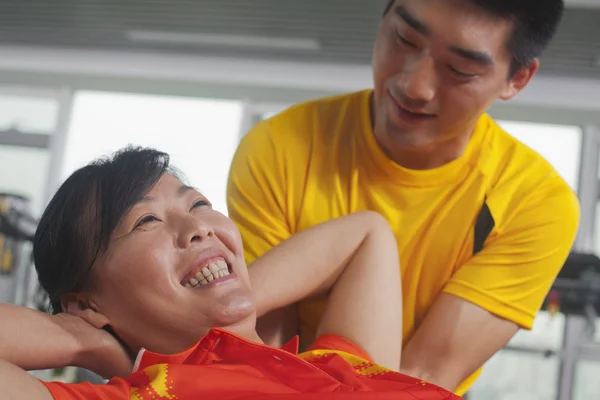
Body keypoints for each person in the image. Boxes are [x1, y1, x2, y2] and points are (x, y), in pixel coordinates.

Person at [226, 0, 580, 395]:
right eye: (404, 40)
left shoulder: (534, 204)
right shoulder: (280, 148)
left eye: (459, 70)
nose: (414, 86)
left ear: (517, 78)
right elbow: (262, 353)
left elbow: (420, 376)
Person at [0, 147, 461, 400]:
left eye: (198, 203)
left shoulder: (337, 364)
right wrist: (89, 341)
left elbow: (367, 234)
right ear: (86, 302)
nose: (198, 227)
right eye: (146, 221)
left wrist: (225, 301)